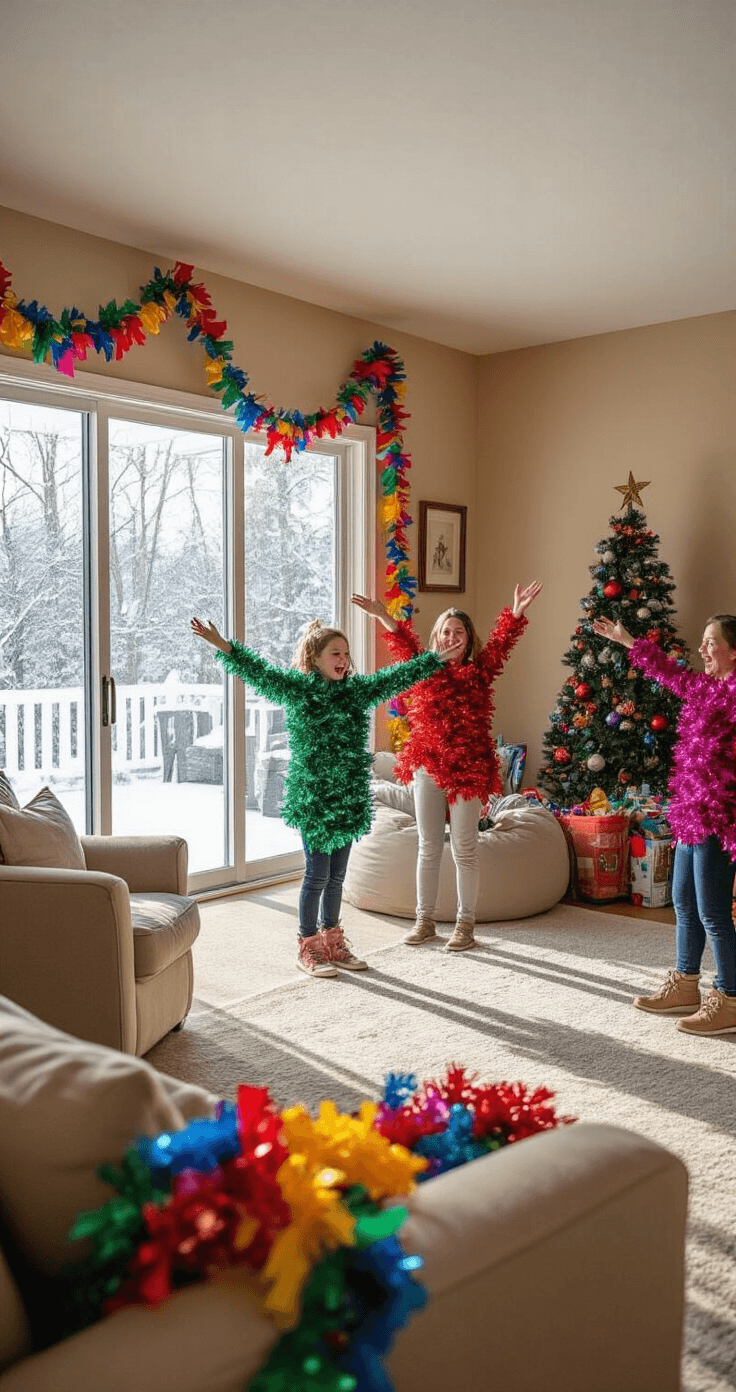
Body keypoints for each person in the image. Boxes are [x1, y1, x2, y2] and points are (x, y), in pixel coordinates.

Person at [190, 615, 464, 978]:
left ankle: (333, 941)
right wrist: (223, 645)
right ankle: (308, 945)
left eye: (346, 654)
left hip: (348, 798)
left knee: (337, 877)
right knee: (317, 874)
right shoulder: (300, 690)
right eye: (336, 653)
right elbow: (260, 673)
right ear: (314, 658)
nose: (343, 660)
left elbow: (396, 677)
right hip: (315, 799)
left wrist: (437, 658)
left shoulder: (356, 691)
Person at [352, 582, 542, 951]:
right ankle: (424, 921)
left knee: (464, 848)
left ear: (469, 641)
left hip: (468, 770)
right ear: (437, 638)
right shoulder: (423, 669)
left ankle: (465, 924)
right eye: (445, 632)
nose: (451, 638)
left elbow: (502, 643)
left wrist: (517, 610)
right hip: (427, 767)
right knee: (428, 845)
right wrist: (382, 614)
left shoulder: (480, 671)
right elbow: (403, 643)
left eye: (459, 633)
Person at [593, 612, 736, 1036]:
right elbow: (670, 673)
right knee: (683, 903)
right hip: (689, 811)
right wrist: (627, 641)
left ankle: (730, 999)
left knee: (713, 912)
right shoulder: (706, 688)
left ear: (733, 651)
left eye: (711, 642)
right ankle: (686, 985)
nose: (702, 649)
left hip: (719, 816)